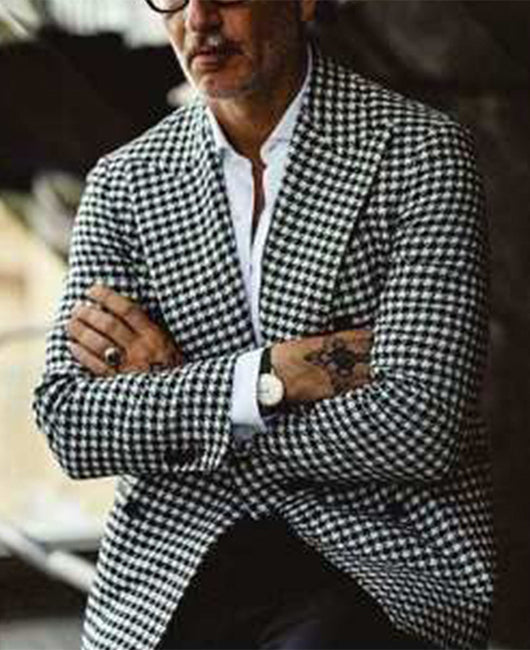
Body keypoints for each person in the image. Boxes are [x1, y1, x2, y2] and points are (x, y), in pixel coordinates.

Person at [33, 0, 496, 648]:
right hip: (175, 561)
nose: (198, 19)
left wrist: (178, 397)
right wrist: (263, 381)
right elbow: (71, 423)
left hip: (374, 556)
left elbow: (420, 425)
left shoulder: (420, 153)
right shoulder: (123, 184)